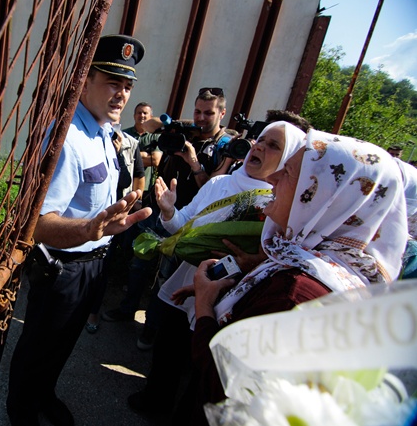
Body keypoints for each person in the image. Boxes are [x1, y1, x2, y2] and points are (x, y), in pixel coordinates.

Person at [175, 129, 408, 426]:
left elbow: (224, 385)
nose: (273, 178)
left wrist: (206, 307)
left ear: (327, 198)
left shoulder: (295, 293)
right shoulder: (322, 268)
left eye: (290, 173)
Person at [6, 34, 152, 426]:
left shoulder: (104, 131)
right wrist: (90, 229)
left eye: (127, 86)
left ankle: (44, 394)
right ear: (85, 81)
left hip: (93, 264)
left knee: (62, 346)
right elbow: (38, 224)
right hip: (63, 268)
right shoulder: (68, 138)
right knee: (37, 348)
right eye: (111, 82)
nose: (121, 94)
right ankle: (21, 413)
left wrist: (107, 226)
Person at [126, 121, 306, 418]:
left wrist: (250, 261)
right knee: (168, 346)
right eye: (260, 139)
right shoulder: (218, 184)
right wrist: (170, 211)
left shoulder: (278, 203)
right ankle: (155, 400)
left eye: (273, 145)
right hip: (187, 278)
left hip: (229, 293)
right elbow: (184, 226)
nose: (259, 146)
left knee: (202, 364)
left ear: (288, 158)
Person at [102, 88, 236, 349]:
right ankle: (126, 309)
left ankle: (152, 328)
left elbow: (215, 186)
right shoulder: (187, 131)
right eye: (198, 111)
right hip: (156, 209)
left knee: (167, 275)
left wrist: (194, 161)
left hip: (187, 220)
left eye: (208, 112)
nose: (201, 117)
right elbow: (146, 124)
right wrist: (172, 124)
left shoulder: (226, 145)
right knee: (138, 264)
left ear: (222, 113)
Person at [85, 125, 145, 334]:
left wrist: (117, 153)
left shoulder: (130, 143)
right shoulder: (89, 138)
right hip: (90, 212)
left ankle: (93, 311)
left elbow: (131, 177)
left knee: (103, 265)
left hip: (115, 216)